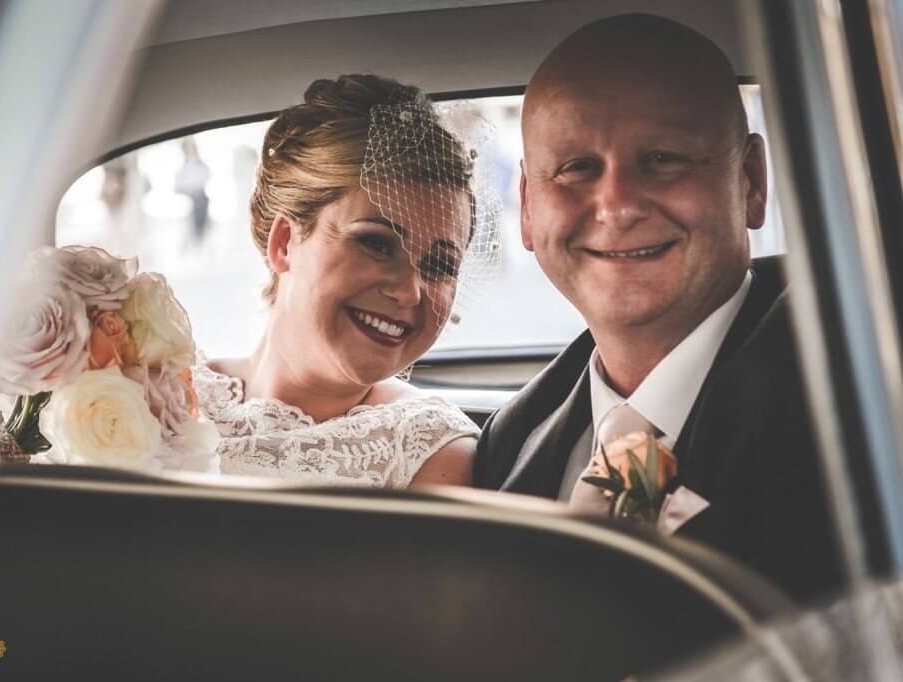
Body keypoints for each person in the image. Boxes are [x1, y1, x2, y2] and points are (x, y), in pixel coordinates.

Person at [473, 14, 843, 602]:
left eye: (664, 159)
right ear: (525, 206)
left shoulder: (860, 390)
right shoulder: (508, 443)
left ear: (750, 181)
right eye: (576, 168)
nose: (617, 205)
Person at [194, 74, 496, 488]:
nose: (409, 291)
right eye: (376, 243)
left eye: (440, 265)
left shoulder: (431, 450)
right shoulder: (160, 388)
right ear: (284, 242)